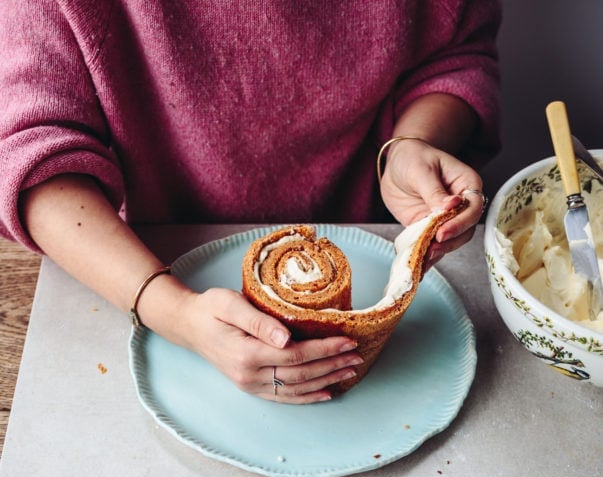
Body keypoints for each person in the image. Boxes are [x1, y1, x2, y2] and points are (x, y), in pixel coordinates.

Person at [0, 0, 500, 404]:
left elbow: (453, 57)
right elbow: (31, 151)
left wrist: (411, 144)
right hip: (141, 265)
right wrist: (171, 311)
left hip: (378, 227)